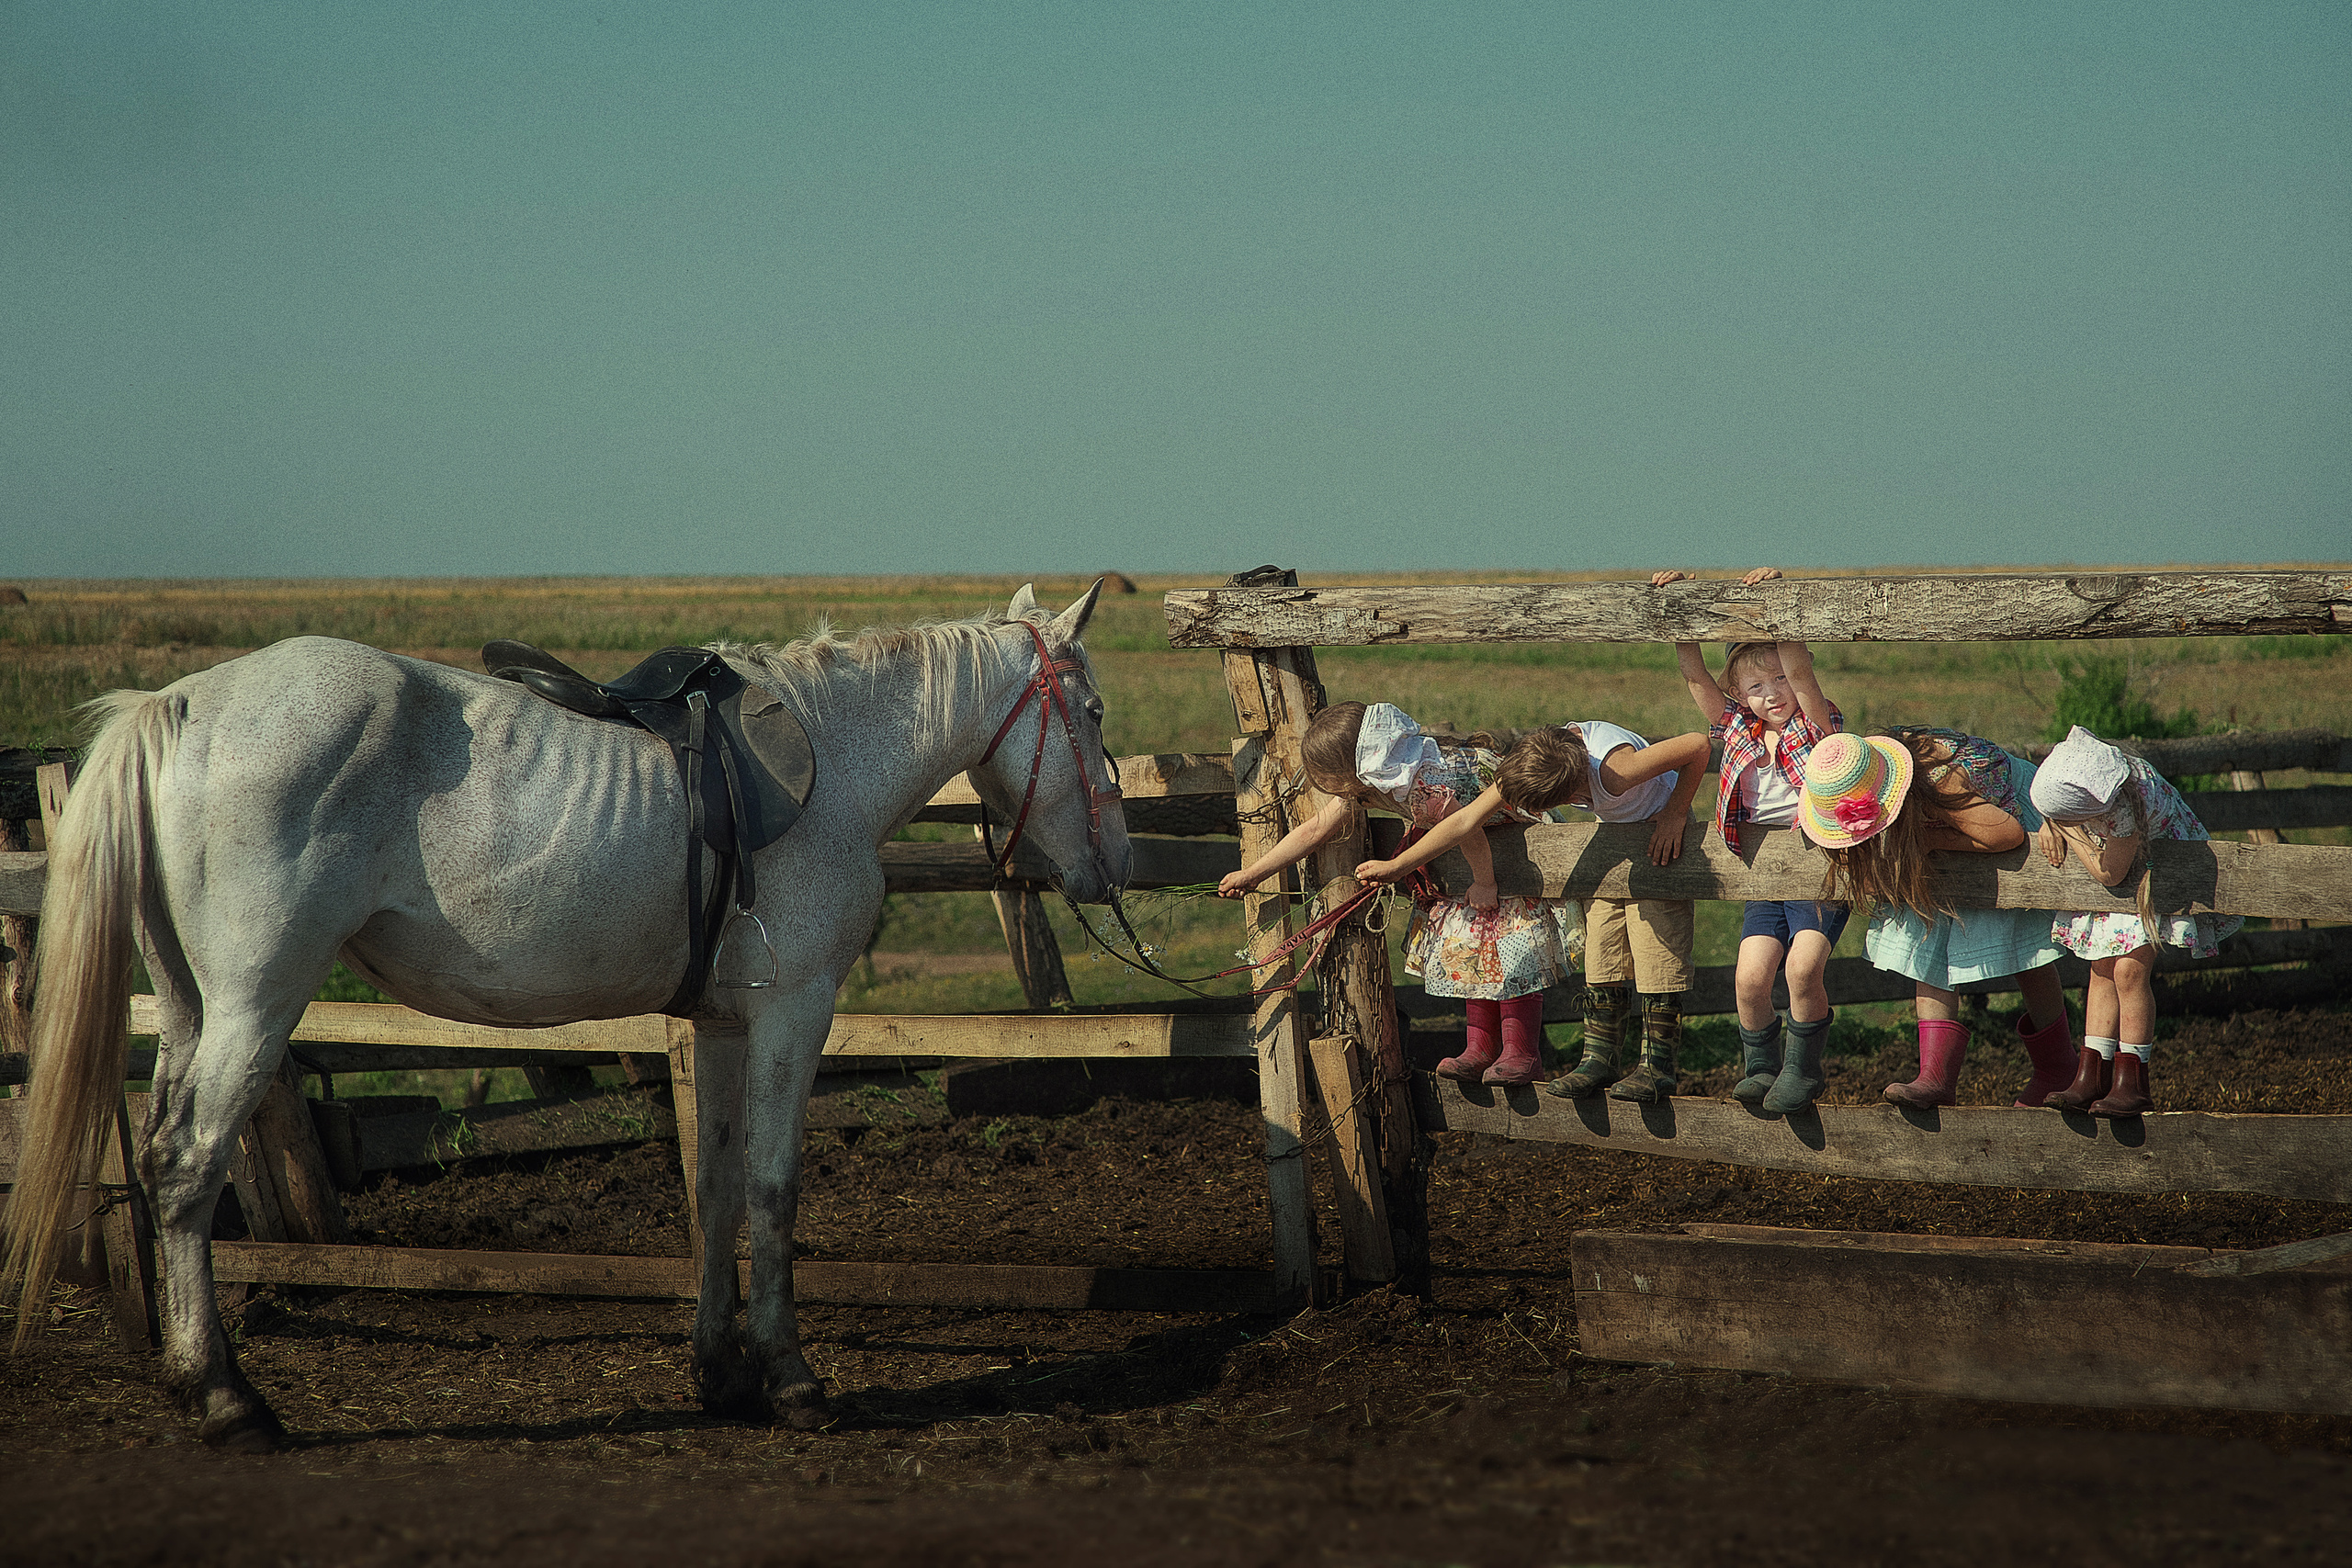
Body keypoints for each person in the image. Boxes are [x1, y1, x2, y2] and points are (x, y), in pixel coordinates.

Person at [1217, 701, 1578, 1086]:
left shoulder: (1419, 781)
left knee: (1514, 949)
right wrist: (1253, 873)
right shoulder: (1374, 783)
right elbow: (1313, 830)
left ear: (1353, 765)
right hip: (1477, 859)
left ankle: (1522, 1053)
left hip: (1512, 846)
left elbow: (1465, 826)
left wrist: (1477, 880)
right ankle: (1481, 1048)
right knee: (1474, 948)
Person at [1355, 720, 1708, 1103]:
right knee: (1602, 950)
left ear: (1569, 792)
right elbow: (1463, 820)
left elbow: (1697, 744)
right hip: (1614, 838)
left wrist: (1675, 813)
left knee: (1655, 949)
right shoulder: (1537, 760)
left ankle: (1657, 1069)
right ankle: (1599, 1058)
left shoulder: (1616, 770)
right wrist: (1398, 866)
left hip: (1660, 837)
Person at [1799, 728, 2076, 1108]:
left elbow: (2006, 835)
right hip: (1950, 831)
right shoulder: (1862, 769)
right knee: (1926, 935)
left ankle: (2057, 1067)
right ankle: (1934, 1076)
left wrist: (1928, 841)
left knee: (2025, 950)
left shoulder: (1937, 780)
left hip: (2004, 822)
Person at [1657, 566, 1848, 1113]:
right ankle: (1761, 1068)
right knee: (1749, 980)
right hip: (1766, 876)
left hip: (1818, 864)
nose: (1772, 695)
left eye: (1778, 681)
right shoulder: (1738, 728)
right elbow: (1696, 679)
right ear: (1739, 695)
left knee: (1803, 969)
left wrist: (1778, 603)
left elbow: (1805, 676)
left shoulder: (1816, 725)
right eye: (1756, 688)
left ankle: (1802, 1070)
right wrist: (1684, 610)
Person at [2029, 725, 2242, 1116]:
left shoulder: (2126, 805)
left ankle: (2133, 1080)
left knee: (2128, 972)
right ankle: (2091, 1074)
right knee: (2102, 969)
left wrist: (2066, 830)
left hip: (2154, 875)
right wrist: (2051, 819)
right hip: (2128, 869)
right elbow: (2060, 807)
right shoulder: (2097, 785)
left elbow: (2109, 873)